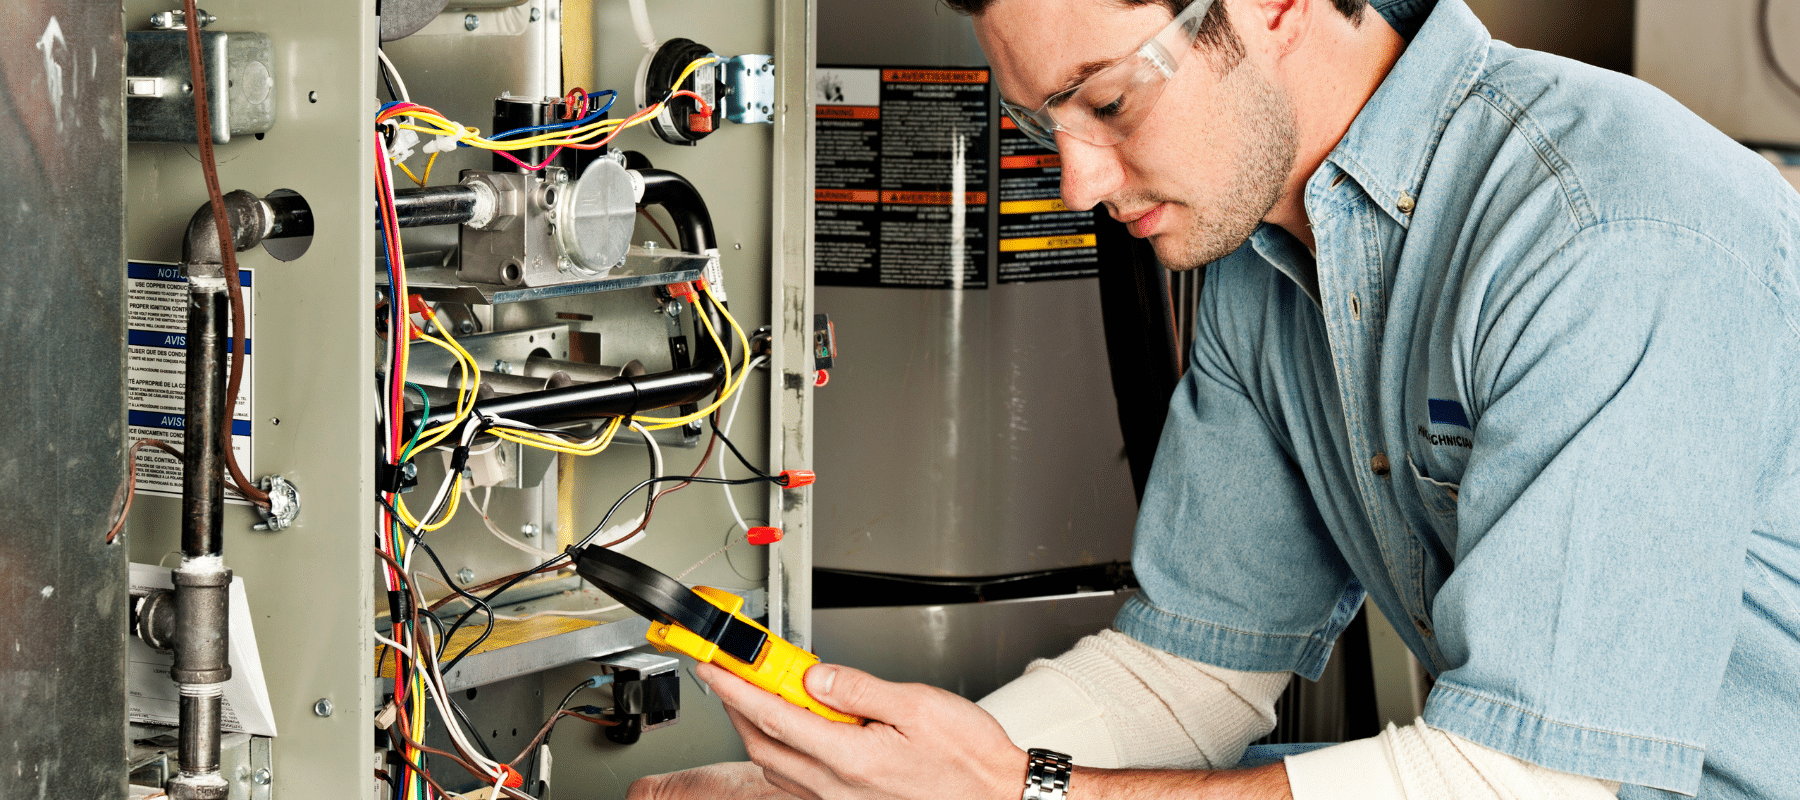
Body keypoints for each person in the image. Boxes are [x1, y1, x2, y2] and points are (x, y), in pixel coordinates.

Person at [630, 0, 1800, 797]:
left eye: (1110, 104)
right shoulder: (1269, 261)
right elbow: (1191, 673)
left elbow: (1522, 780)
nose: (1080, 180)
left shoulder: (1603, 232)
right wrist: (883, 779)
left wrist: (1018, 787)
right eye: (1049, 124)